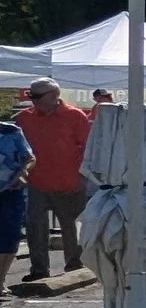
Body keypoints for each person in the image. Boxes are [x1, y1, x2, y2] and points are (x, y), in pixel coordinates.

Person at [13, 77, 91, 281]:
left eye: (37, 96)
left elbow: (89, 149)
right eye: (31, 95)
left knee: (72, 227)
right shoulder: (24, 119)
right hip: (36, 183)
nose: (33, 100)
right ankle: (39, 270)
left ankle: (75, 267)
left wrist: (82, 176)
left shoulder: (75, 116)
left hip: (70, 183)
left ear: (55, 95)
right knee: (35, 228)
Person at [0, 115, 30, 288]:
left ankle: (1, 280)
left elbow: (29, 157)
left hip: (11, 191)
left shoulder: (11, 131)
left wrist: (24, 172)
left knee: (10, 236)